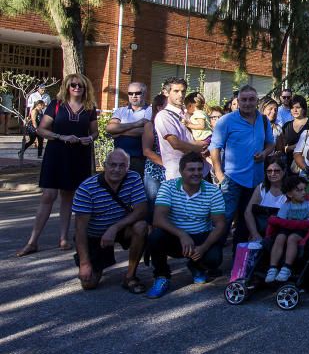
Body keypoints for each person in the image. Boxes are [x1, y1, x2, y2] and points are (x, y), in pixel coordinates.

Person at [17, 73, 99, 256]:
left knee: (68, 196)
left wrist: (89, 138)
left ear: (85, 88)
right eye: (73, 85)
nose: (77, 88)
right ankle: (33, 241)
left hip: (78, 154)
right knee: (48, 195)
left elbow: (95, 133)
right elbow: (42, 129)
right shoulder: (56, 105)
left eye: (80, 85)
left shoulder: (89, 107)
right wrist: (61, 137)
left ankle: (63, 238)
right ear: (67, 87)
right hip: (57, 153)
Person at [146, 152, 227, 298]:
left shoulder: (213, 191)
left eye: (199, 169)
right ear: (182, 171)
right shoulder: (167, 187)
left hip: (200, 237)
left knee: (214, 258)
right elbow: (158, 219)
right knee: (155, 237)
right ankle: (162, 276)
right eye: (191, 170)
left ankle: (197, 266)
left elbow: (220, 224)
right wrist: (182, 234)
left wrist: (204, 248)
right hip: (176, 238)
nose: (196, 173)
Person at [71, 149, 149, 293]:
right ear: (105, 165)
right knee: (89, 284)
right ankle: (94, 263)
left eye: (122, 166)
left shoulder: (133, 178)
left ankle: (130, 276)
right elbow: (80, 230)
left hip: (120, 229)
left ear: (127, 167)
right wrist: (84, 263)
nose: (117, 169)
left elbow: (141, 210)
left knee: (141, 226)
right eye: (113, 165)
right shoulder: (87, 188)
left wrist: (114, 228)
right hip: (94, 235)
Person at [210, 85, 275, 253]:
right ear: (237, 101)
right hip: (232, 179)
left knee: (247, 220)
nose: (247, 103)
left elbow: (270, 143)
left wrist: (265, 153)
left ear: (257, 101)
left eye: (251, 99)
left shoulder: (263, 120)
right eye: (244, 100)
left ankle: (238, 258)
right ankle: (211, 260)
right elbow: (214, 147)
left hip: (256, 179)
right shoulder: (226, 121)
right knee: (224, 220)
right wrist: (219, 174)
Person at [154, 77, 210, 181]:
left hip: (202, 170)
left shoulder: (187, 113)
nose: (181, 95)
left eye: (183, 91)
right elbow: (176, 144)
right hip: (178, 174)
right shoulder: (163, 116)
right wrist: (199, 147)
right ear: (166, 93)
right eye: (176, 91)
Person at [264, 175, 309, 283]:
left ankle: (286, 267)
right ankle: (272, 267)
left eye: (304, 189)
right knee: (280, 237)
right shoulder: (286, 206)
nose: (303, 193)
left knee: (292, 238)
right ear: (289, 194)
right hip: (287, 228)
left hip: (302, 231)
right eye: (299, 190)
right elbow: (280, 221)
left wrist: (306, 222)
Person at [105, 82, 151, 175]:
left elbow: (144, 131)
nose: (134, 96)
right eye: (130, 93)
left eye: (137, 93)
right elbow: (110, 128)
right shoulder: (121, 111)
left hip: (139, 159)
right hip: (119, 159)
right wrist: (137, 124)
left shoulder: (150, 110)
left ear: (144, 94)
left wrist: (119, 132)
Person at [244, 156, 287, 242]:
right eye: (269, 171)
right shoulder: (261, 188)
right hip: (260, 233)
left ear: (284, 171)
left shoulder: (290, 190)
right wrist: (255, 234)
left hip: (281, 236)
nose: (272, 174)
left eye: (277, 171)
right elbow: (248, 212)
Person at [143, 95, 168, 204]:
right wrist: (166, 164)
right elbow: (147, 151)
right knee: (153, 204)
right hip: (154, 170)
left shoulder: (175, 125)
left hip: (172, 170)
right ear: (159, 107)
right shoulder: (150, 125)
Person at [276, 95, 309, 164]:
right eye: (292, 107)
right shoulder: (286, 126)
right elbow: (281, 148)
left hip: (308, 164)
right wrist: (293, 147)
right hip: (289, 166)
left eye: (298, 107)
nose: (295, 110)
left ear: (304, 108)